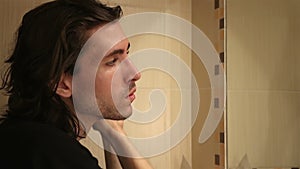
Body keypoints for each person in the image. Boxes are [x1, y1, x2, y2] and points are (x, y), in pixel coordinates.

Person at [0, 0, 153, 168]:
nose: (135, 74)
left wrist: (114, 134)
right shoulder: (62, 156)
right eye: (112, 61)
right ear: (62, 84)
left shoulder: (21, 138)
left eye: (126, 53)